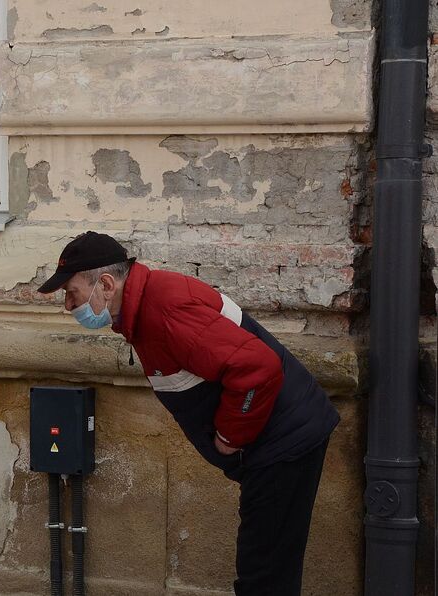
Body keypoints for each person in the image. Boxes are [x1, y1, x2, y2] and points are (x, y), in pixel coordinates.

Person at [36, 231, 339, 596]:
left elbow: (257, 369)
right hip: (278, 442)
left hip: (283, 443)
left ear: (105, 284)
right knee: (268, 569)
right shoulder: (145, 307)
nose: (69, 305)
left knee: (264, 577)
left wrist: (228, 440)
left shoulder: (164, 309)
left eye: (72, 292)